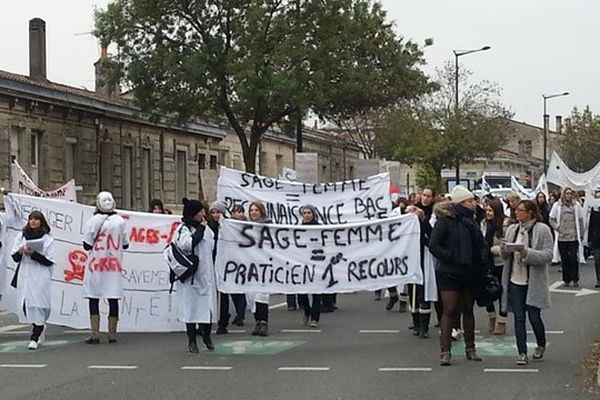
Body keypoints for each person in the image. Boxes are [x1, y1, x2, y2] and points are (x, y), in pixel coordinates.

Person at [429, 185, 487, 366]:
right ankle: (445, 352)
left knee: (468, 309)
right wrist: (451, 257)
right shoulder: (444, 221)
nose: (473, 204)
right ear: (461, 203)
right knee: (450, 310)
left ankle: (471, 349)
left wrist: (482, 259)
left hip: (469, 271)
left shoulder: (471, 222)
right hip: (449, 272)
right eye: (470, 201)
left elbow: (481, 244)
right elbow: (434, 245)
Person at [501, 200, 553, 365]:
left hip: (533, 281)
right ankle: (522, 352)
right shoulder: (512, 229)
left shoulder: (542, 229)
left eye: (520, 210)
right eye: (516, 210)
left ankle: (541, 344)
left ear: (530, 212)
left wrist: (526, 252)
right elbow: (505, 256)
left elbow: (547, 255)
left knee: (534, 317)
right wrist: (504, 249)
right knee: (519, 317)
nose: (517, 213)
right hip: (515, 279)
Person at [82, 191, 129, 344]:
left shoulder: (93, 221)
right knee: (113, 297)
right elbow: (125, 244)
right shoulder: (120, 221)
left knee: (93, 297)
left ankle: (95, 333)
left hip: (96, 265)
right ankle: (112, 333)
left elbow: (87, 244)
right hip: (113, 266)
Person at [173, 198, 217, 353]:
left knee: (208, 308)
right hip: (191, 277)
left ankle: (206, 335)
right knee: (191, 309)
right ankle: (191, 340)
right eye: (200, 212)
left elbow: (212, 247)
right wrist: (199, 231)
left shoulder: (207, 230)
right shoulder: (183, 229)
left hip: (206, 276)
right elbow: (187, 245)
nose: (203, 215)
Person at [10, 211, 55, 350]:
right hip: (25, 273)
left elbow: (49, 261)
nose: (33, 222)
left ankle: (34, 337)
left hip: (40, 274)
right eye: (31, 219)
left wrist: (34, 254)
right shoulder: (21, 236)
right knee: (26, 305)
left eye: (36, 219)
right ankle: (39, 325)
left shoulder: (47, 239)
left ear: (42, 222)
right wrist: (20, 251)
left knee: (38, 304)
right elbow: (14, 256)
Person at [406, 187, 438, 339]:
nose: (425, 198)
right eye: (423, 195)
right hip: (413, 253)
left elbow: (432, 236)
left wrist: (423, 219)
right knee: (413, 288)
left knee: (424, 289)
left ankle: (424, 326)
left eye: (428, 196)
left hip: (425, 253)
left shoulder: (434, 213)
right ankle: (416, 323)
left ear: (432, 198)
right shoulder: (413, 211)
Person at [480, 197, 509, 335]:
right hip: (486, 262)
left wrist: (491, 249)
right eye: (486, 210)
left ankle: (502, 320)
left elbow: (505, 245)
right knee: (487, 290)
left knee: (502, 291)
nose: (488, 212)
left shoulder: (505, 224)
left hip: (501, 262)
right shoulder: (484, 224)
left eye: (490, 210)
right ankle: (492, 316)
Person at [549, 187, 585, 288]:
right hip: (562, 236)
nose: (568, 195)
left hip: (573, 236)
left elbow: (581, 220)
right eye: (566, 193)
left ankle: (575, 278)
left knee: (573, 257)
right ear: (563, 194)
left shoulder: (576, 205)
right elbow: (551, 219)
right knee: (564, 259)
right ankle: (566, 279)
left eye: (570, 193)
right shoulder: (557, 205)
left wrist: (581, 234)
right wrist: (557, 227)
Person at [296, 205, 322, 328]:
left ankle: (315, 318)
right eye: (304, 213)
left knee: (316, 292)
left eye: (309, 213)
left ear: (313, 214)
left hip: (317, 264)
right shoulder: (297, 229)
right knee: (302, 292)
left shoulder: (320, 228)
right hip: (302, 264)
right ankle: (307, 312)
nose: (306, 215)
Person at [248, 201, 271, 336]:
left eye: (256, 210)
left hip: (264, 264)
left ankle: (264, 322)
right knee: (251, 295)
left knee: (262, 295)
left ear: (261, 212)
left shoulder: (268, 226)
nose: (253, 212)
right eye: (251, 210)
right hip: (250, 265)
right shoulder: (245, 227)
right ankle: (257, 321)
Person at [586, 191, 600, 288]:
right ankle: (598, 279)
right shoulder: (594, 212)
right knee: (597, 259)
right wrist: (589, 239)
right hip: (596, 239)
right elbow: (590, 226)